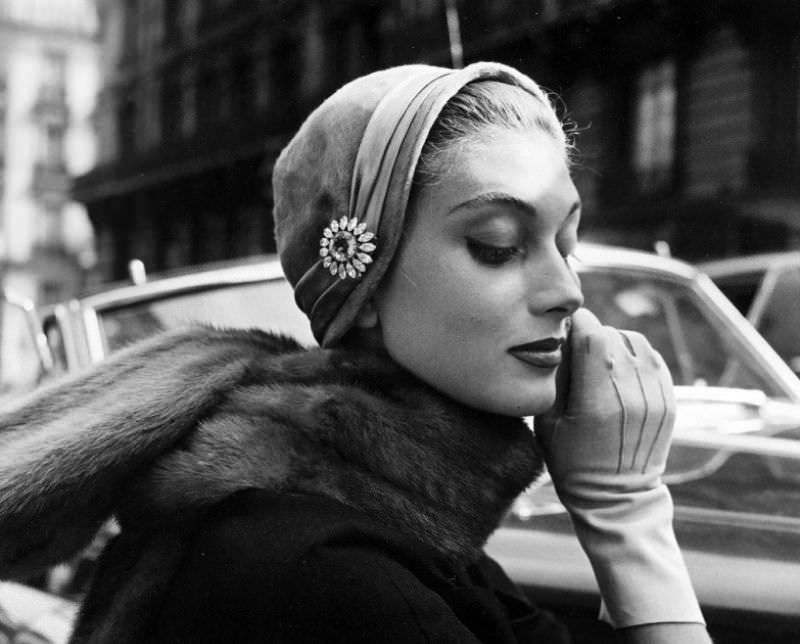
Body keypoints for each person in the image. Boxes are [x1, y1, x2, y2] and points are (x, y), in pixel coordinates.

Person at [0, 62, 710, 643]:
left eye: (566, 244)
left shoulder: (375, 512)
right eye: (497, 245)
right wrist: (629, 522)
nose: (567, 291)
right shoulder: (336, 574)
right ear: (362, 285)